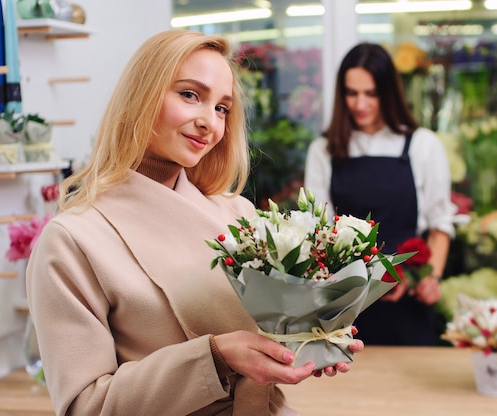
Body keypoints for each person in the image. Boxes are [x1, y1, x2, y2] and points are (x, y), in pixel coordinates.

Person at [26, 30, 363, 416]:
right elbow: (85, 407)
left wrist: (312, 339)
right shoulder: (74, 240)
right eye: (190, 95)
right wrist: (216, 359)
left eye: (222, 108)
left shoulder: (239, 215)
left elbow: (272, 336)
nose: (210, 123)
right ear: (141, 95)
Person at [304, 42, 455, 346]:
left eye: (371, 94)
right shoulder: (323, 150)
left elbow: (440, 224)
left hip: (408, 304)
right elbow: (317, 229)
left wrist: (429, 279)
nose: (360, 104)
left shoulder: (422, 145)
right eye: (351, 93)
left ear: (389, 92)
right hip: (345, 307)